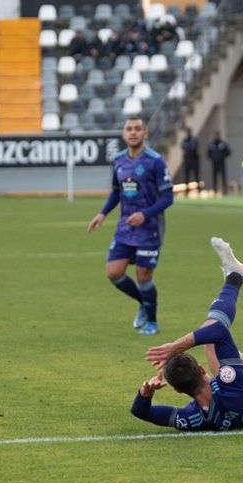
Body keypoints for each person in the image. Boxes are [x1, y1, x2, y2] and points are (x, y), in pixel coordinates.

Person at [134, 202, 243, 432]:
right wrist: (176, 346)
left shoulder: (194, 419)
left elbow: (140, 412)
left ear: (177, 390)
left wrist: (145, 394)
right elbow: (219, 332)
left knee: (212, 342)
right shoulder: (231, 384)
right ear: (204, 370)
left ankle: (235, 276)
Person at [87, 116, 174, 336]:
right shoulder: (117, 160)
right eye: (129, 129)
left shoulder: (155, 161)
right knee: (113, 272)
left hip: (150, 228)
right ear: (124, 134)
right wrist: (102, 213)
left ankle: (152, 323)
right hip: (125, 227)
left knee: (144, 276)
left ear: (145, 133)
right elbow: (117, 191)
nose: (133, 132)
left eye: (138, 129)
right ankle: (144, 304)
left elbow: (167, 198)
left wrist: (145, 214)